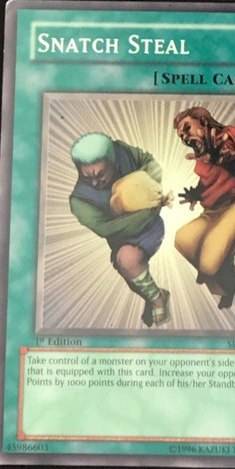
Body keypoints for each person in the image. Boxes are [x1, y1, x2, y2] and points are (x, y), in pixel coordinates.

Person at [69, 132, 171, 327]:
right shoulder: (80, 201)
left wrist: (146, 188)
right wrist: (150, 210)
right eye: (87, 177)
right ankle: (157, 296)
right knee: (127, 265)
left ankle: (157, 300)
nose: (95, 183)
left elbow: (152, 165)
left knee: (128, 261)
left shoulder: (122, 152)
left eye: (100, 174)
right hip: (122, 238)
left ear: (113, 163)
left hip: (152, 229)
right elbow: (108, 229)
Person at [173, 106, 235, 309]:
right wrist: (196, 193)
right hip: (211, 212)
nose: (184, 137)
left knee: (209, 264)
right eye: (181, 135)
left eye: (187, 128)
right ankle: (216, 273)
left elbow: (229, 152)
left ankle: (227, 285)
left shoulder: (232, 134)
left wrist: (215, 155)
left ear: (203, 121)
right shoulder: (201, 156)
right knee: (182, 239)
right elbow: (208, 181)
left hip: (234, 207)